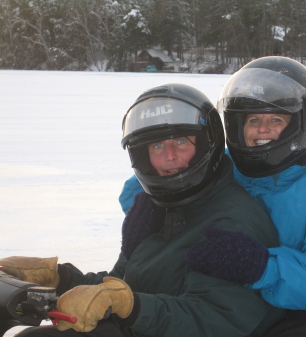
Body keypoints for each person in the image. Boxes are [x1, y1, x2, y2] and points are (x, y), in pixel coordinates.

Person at [118, 57, 306, 337]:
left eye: (275, 119)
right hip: (266, 299)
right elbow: (182, 177)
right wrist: (145, 205)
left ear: (299, 123)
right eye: (253, 120)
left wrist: (261, 267)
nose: (262, 130)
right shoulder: (236, 165)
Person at [0, 83, 284, 337]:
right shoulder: (154, 208)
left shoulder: (230, 219)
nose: (169, 156)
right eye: (157, 145)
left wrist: (131, 307)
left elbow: (217, 319)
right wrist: (62, 278)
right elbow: (122, 286)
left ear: (207, 144)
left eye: (181, 142)